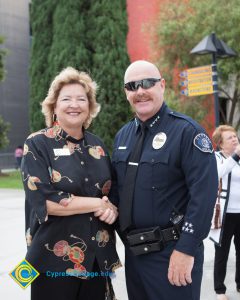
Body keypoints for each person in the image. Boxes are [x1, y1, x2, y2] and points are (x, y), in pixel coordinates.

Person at [111, 60, 218, 300]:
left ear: (162, 85)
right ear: (126, 92)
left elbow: (204, 195)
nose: (140, 91)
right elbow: (116, 192)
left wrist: (186, 248)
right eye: (132, 86)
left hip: (173, 253)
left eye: (147, 83)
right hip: (136, 255)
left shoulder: (187, 132)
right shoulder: (122, 136)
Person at [21, 67, 121, 300]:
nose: (74, 104)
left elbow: (111, 194)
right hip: (53, 259)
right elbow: (46, 202)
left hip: (97, 257)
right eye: (66, 99)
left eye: (81, 99)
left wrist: (112, 210)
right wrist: (98, 204)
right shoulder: (37, 144)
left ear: (90, 107)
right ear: (54, 106)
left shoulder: (98, 146)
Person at [209, 125, 240, 300]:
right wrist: (236, 156)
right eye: (230, 138)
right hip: (224, 214)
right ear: (220, 144)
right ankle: (220, 290)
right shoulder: (216, 158)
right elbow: (218, 174)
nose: (235, 139)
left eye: (235, 136)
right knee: (222, 253)